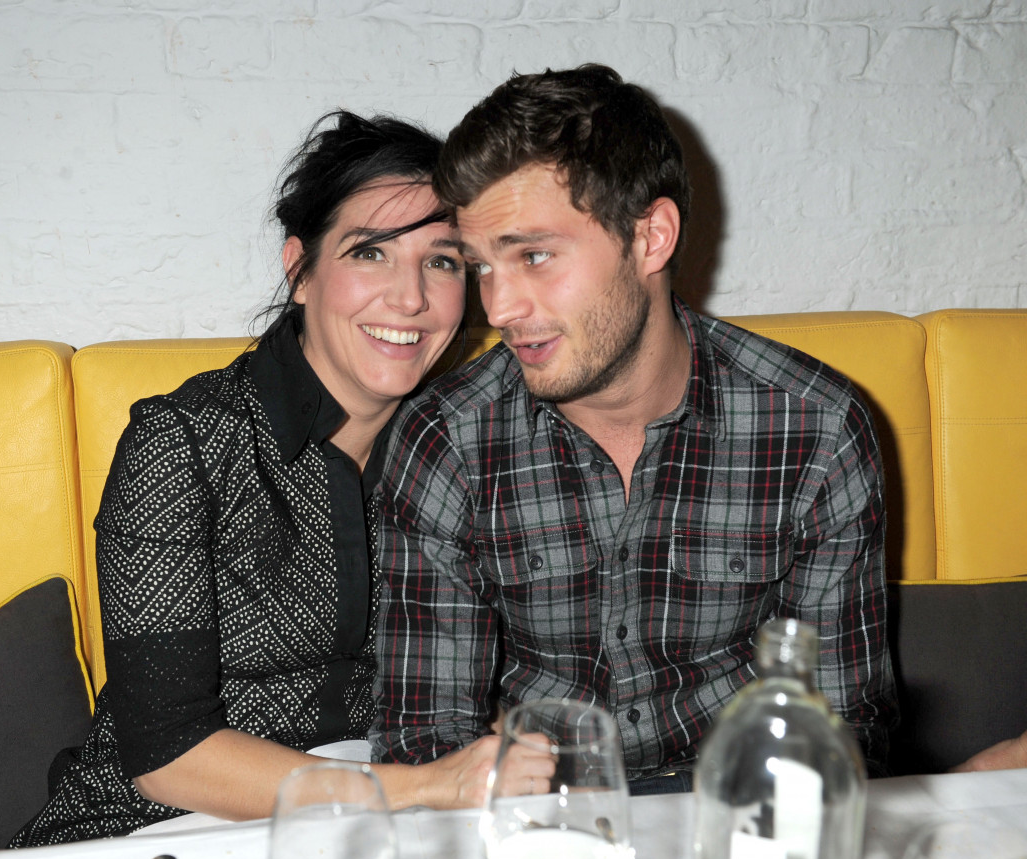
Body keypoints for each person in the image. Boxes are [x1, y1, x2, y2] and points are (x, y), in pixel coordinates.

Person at [12, 110, 551, 846]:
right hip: (154, 831)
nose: (410, 298)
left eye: (443, 261)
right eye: (371, 253)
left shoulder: (469, 442)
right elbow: (166, 755)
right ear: (300, 270)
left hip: (379, 834)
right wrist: (425, 787)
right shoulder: (185, 441)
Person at [370, 64, 899, 793]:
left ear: (651, 238)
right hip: (543, 813)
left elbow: (838, 726)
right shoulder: (447, 437)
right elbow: (425, 741)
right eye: (482, 267)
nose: (499, 307)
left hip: (740, 805)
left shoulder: (813, 426)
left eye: (533, 256)